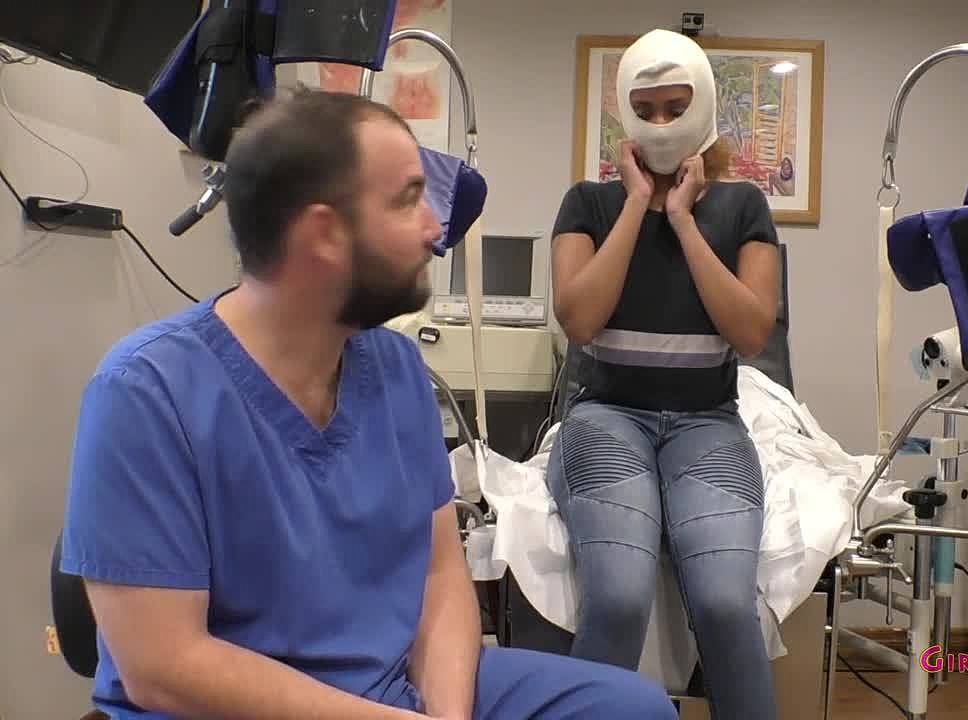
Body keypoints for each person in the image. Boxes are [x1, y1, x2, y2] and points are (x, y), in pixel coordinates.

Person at [59, 88, 678, 720]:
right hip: (230, 708)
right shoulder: (147, 392)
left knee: (633, 709)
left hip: (390, 686)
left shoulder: (396, 368)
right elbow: (163, 667)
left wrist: (445, 715)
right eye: (408, 199)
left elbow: (439, 576)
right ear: (324, 234)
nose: (435, 228)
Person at [547, 28, 781, 720]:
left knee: (726, 604)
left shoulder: (743, 208)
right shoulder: (587, 204)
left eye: (675, 107)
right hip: (607, 417)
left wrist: (681, 220)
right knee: (619, 598)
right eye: (644, 109)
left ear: (703, 105)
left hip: (707, 424)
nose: (659, 124)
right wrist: (635, 205)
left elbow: (752, 332)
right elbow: (579, 320)